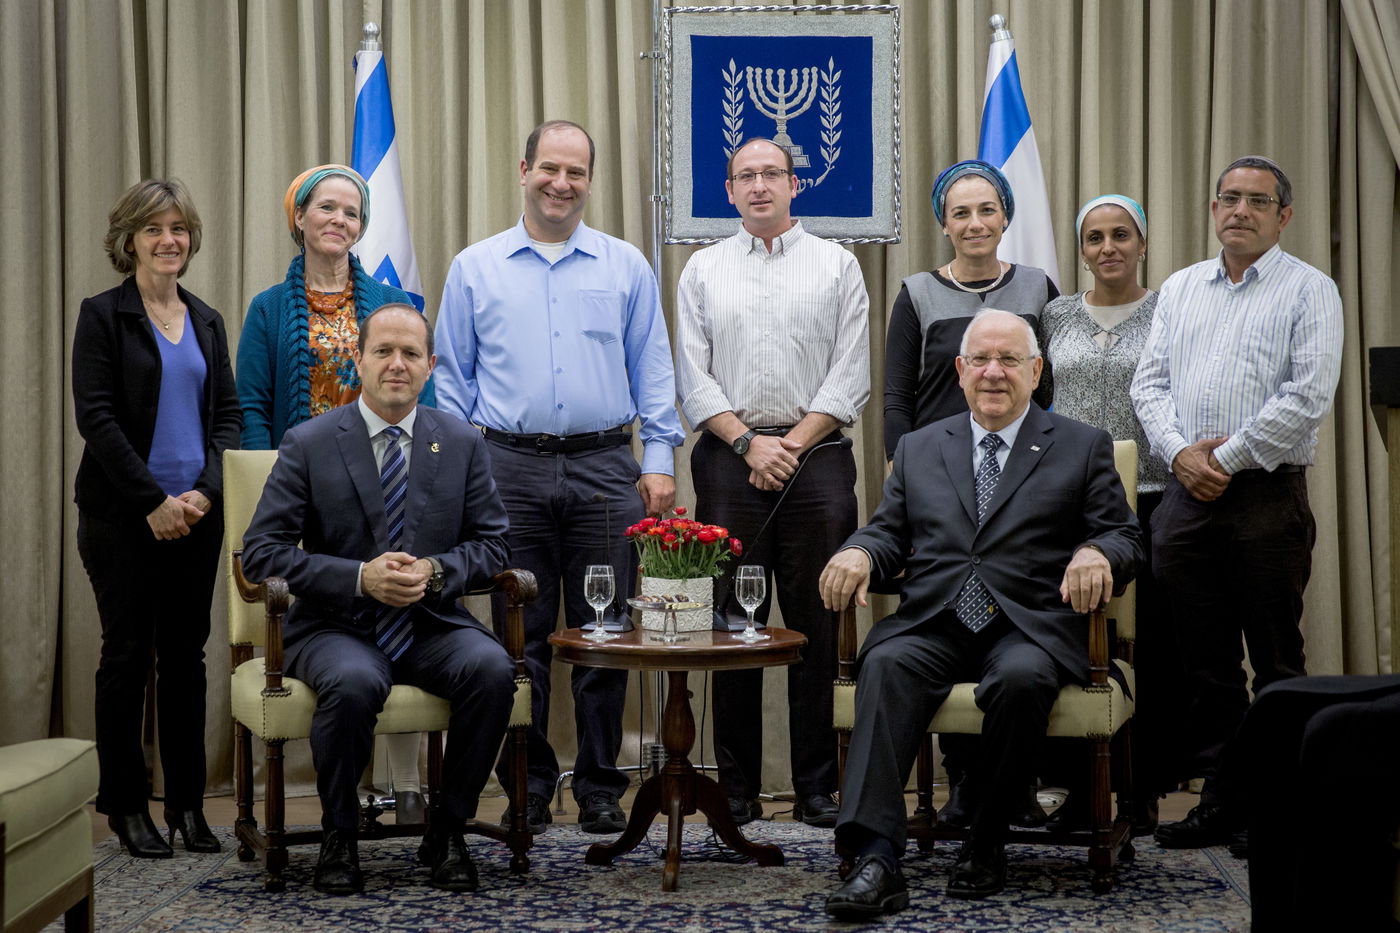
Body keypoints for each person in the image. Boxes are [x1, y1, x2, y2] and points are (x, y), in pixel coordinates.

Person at [819, 309, 1142, 916]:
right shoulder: (919, 447)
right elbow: (889, 533)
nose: (994, 372)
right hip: (935, 622)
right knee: (884, 665)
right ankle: (875, 858)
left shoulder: (1081, 445)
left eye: (1010, 359)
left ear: (1036, 371)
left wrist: (1096, 551)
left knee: (1022, 680)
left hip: (1029, 627)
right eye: (981, 360)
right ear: (960, 371)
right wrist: (859, 551)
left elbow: (1124, 536)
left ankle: (986, 841)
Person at [434, 120, 684, 835]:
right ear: (524, 170)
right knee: (523, 637)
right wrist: (465, 473)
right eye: (550, 168)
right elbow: (451, 382)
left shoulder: (624, 266)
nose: (561, 183)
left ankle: (601, 785)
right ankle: (531, 783)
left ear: (589, 182)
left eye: (576, 172)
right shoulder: (475, 268)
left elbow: (653, 369)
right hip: (505, 469)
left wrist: (658, 461)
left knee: (606, 633)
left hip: (606, 467)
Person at [241, 304, 515, 895]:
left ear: (430, 366)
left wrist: (437, 571)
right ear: (358, 361)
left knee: (493, 670)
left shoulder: (461, 442)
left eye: (410, 354)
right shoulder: (310, 442)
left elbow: (494, 546)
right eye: (383, 351)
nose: (397, 364)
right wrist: (358, 577)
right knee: (354, 681)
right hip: (335, 626)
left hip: (430, 622)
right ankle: (339, 835)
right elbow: (261, 553)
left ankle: (448, 830)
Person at [1131, 156, 1343, 848]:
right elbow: (1148, 386)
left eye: (1258, 200)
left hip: (1266, 499)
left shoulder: (1310, 290)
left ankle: (1278, 810)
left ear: (1284, 216)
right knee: (1207, 668)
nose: (1241, 210)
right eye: (1230, 198)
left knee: (1277, 660)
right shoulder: (1181, 287)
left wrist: (1222, 459)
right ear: (1213, 208)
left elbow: (1306, 397)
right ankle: (1224, 802)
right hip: (1185, 498)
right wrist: (1181, 455)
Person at [675, 137, 869, 828]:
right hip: (729, 458)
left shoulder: (837, 264)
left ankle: (818, 785)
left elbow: (851, 371)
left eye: (772, 174)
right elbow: (692, 374)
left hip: (817, 457)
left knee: (818, 621)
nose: (759, 185)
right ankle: (737, 787)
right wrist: (748, 443)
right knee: (734, 625)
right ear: (729, 191)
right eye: (745, 176)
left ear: (795, 184)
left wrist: (789, 444)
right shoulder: (702, 269)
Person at [237, 163, 435, 822]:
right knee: (342, 638)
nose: (339, 221)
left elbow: (422, 397)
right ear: (299, 217)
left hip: (385, 483)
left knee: (404, 605)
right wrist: (276, 489)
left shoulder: (391, 302)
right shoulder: (268, 309)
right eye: (326, 208)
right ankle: (341, 797)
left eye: (351, 212)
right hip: (305, 495)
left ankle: (408, 784)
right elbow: (252, 408)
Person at [73, 179, 241, 858]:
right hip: (123, 518)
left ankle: (188, 806)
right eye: (153, 229)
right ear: (129, 240)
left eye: (178, 229)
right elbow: (97, 418)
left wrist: (203, 494)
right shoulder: (102, 315)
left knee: (186, 660)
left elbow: (227, 417)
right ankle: (125, 805)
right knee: (125, 656)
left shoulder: (207, 319)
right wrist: (152, 501)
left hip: (196, 519)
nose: (169, 240)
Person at [1040, 195, 1179, 834]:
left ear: (1142, 242)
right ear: (1082, 250)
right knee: (1074, 645)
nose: (1108, 248)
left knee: (1150, 648)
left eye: (1121, 235)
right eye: (1094, 237)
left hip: (1152, 499)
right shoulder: (1055, 315)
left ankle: (1143, 788)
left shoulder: (1170, 311)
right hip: (1069, 507)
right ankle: (1080, 788)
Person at [883, 159, 1057, 459]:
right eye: (961, 213)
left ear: (1004, 217)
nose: (975, 224)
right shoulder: (916, 294)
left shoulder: (1038, 287)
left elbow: (1053, 383)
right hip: (937, 460)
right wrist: (901, 471)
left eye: (987, 210)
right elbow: (898, 399)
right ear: (944, 225)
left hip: (1025, 460)